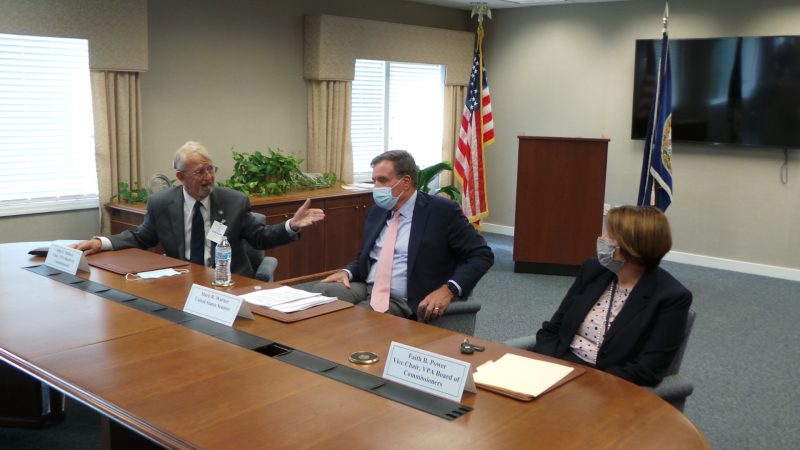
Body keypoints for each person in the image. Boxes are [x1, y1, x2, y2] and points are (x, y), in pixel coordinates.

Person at [73, 141, 325, 278]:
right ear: (180, 177)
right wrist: (101, 242)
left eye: (210, 169)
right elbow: (142, 237)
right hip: (181, 281)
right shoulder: (162, 203)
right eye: (199, 172)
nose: (208, 177)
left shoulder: (233, 201)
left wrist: (291, 225)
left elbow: (260, 238)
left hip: (228, 281)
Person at [315, 150, 493, 321]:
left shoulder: (442, 211)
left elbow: (481, 255)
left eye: (382, 180)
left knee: (359, 319)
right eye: (374, 181)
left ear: (406, 182)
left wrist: (448, 290)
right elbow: (368, 256)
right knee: (319, 295)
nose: (376, 187)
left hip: (405, 298)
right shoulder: (376, 212)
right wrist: (347, 272)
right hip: (367, 285)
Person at [532, 205, 691, 387]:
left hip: (608, 384)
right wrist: (547, 366)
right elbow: (553, 329)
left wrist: (588, 383)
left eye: (611, 236)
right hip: (560, 366)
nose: (603, 239)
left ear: (631, 248)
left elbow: (648, 369)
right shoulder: (593, 270)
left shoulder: (671, 296)